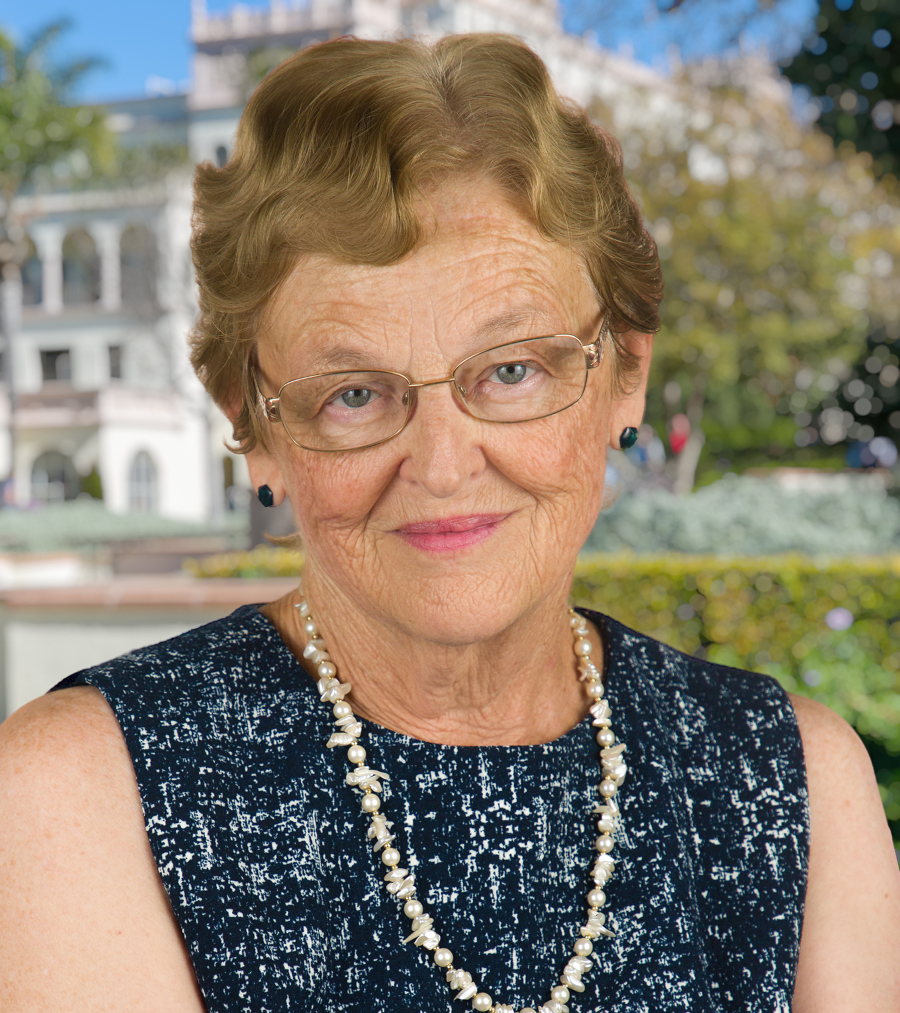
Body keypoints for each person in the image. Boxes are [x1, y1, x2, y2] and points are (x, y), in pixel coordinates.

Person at [1, 33, 898, 1013]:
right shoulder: (83, 791)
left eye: (511, 369)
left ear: (624, 376)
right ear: (253, 426)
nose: (440, 461)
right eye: (352, 392)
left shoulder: (791, 772)